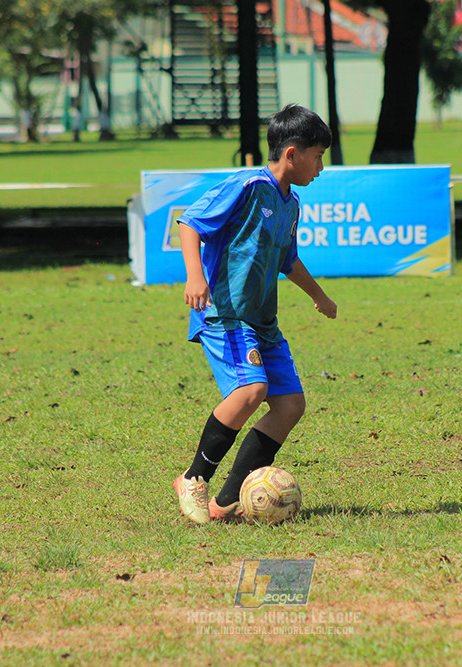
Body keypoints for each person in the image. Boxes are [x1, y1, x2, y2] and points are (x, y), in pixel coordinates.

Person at [174, 103, 338, 525]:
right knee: (251, 392)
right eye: (318, 156)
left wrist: (319, 296)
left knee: (290, 406)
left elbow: (288, 259)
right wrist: (195, 276)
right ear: (291, 154)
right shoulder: (247, 185)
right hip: (225, 315)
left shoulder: (292, 203)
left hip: (264, 322)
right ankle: (193, 478)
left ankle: (225, 503)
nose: (321, 166)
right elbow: (190, 223)